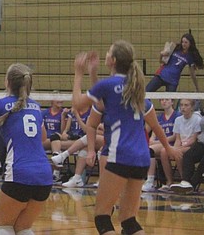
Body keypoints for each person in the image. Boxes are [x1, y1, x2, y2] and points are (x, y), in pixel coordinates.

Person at [71, 43, 180, 235]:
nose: (105, 53)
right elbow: (155, 125)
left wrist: (79, 73)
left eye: (108, 51)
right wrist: (168, 148)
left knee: (102, 217)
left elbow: (79, 104)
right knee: (129, 221)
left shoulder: (109, 85)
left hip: (119, 155)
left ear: (112, 61)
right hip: (141, 157)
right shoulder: (137, 89)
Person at [0, 63, 53, 235]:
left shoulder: (1, 104)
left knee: (5, 226)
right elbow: (43, 138)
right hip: (44, 176)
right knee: (23, 228)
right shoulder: (36, 107)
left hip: (19, 174)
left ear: (7, 82)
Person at [142, 97, 180, 192]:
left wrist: (159, 141)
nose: (164, 101)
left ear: (172, 102)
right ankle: (144, 179)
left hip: (170, 143)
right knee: (145, 149)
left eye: (167, 99)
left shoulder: (177, 116)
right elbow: (152, 133)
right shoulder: (158, 117)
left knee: (150, 150)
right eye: (162, 100)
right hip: (158, 144)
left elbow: (174, 137)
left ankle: (150, 180)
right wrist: (151, 140)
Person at [163, 98, 201, 191]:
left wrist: (178, 148)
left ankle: (184, 180)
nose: (183, 107)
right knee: (164, 151)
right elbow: (178, 138)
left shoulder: (198, 119)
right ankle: (169, 181)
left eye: (186, 105)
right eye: (181, 105)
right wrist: (175, 148)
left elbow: (194, 139)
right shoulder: (178, 120)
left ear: (192, 107)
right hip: (181, 145)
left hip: (192, 146)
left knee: (178, 152)